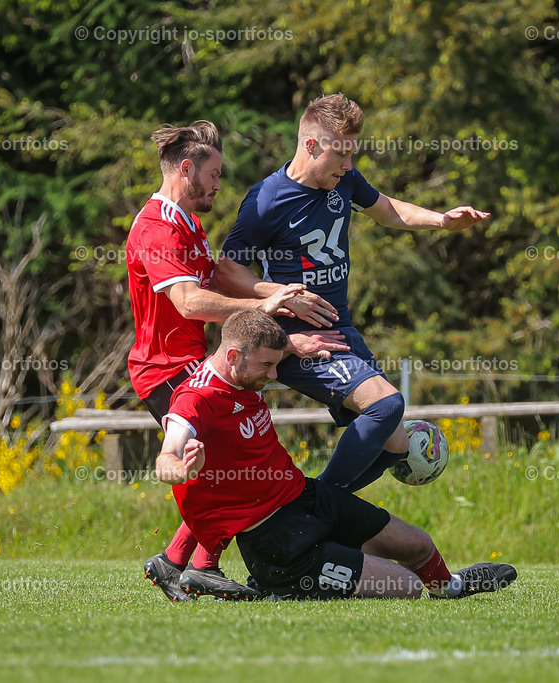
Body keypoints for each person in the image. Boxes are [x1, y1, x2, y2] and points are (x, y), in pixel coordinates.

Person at [217, 93, 491, 492]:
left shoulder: (343, 180)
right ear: (310, 145)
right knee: (387, 405)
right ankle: (316, 506)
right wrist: (278, 294)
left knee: (395, 446)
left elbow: (386, 209)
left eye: (352, 154)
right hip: (299, 337)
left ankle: (321, 511)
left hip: (341, 328)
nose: (348, 165)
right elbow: (226, 269)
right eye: (340, 154)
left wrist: (442, 221)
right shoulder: (268, 200)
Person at [128, 120, 350, 601]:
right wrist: (264, 309)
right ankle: (198, 565)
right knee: (237, 464)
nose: (218, 184)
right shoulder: (156, 229)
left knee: (239, 457)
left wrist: (281, 295)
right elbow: (188, 301)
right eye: (213, 174)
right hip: (164, 368)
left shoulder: (186, 221)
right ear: (186, 169)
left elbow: (221, 277)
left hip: (189, 359)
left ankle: (177, 563)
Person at [155, 309, 517, 600]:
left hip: (307, 498)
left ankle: (450, 587)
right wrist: (174, 465)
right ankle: (277, 586)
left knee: (418, 545)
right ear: (233, 356)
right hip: (277, 541)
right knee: (404, 586)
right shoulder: (197, 397)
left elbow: (262, 341)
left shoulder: (244, 369)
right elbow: (171, 447)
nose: (275, 373)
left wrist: (295, 343)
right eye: (268, 366)